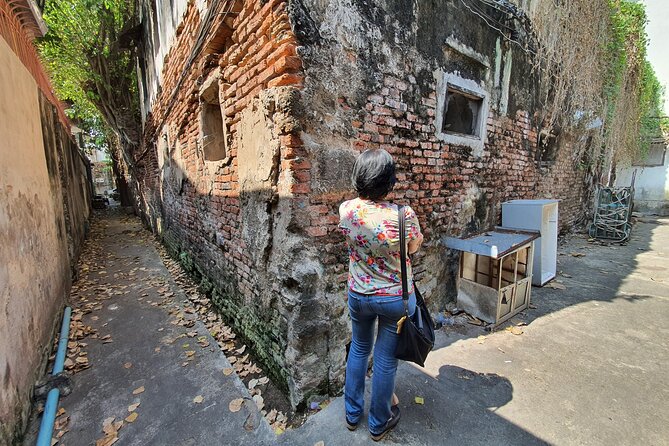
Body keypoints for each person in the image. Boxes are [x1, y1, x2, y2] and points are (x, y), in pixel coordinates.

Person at [339, 148, 423, 441]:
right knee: (386, 359)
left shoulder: (346, 210)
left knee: (360, 349)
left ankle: (351, 414)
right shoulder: (404, 214)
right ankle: (378, 423)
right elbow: (413, 249)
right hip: (394, 300)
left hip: (359, 294)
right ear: (389, 180)